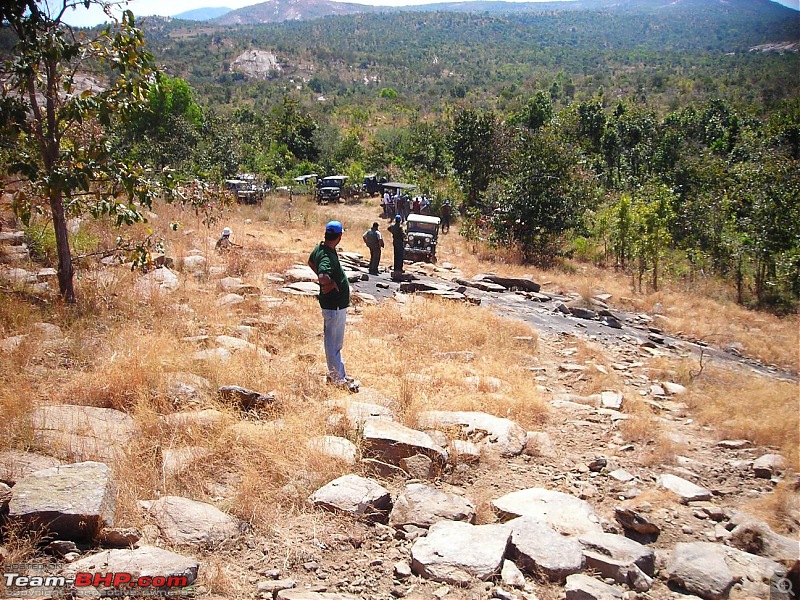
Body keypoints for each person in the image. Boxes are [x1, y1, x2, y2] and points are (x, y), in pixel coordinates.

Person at [308, 221, 358, 392]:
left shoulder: (320, 248)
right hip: (334, 305)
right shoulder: (327, 256)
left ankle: (338, 374)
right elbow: (323, 274)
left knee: (335, 343)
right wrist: (330, 285)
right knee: (333, 344)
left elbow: (310, 262)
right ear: (339, 237)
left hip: (334, 305)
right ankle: (337, 379)